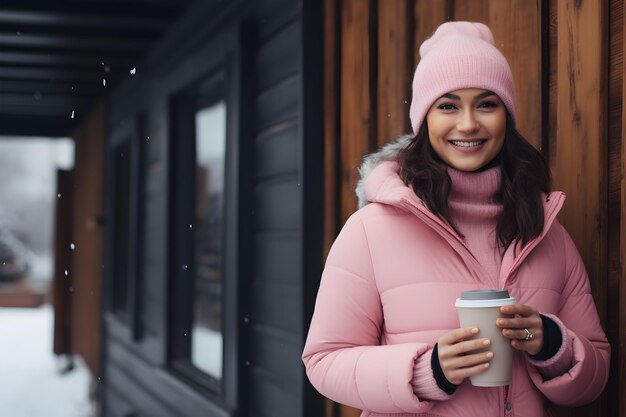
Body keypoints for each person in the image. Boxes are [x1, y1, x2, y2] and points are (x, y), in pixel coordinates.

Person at [302, 21, 610, 416]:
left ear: (506, 116)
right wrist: (426, 371)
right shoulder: (370, 230)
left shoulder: (548, 233)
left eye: (486, 103)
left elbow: (596, 374)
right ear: (424, 120)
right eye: (448, 105)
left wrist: (551, 343)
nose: (468, 124)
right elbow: (324, 362)